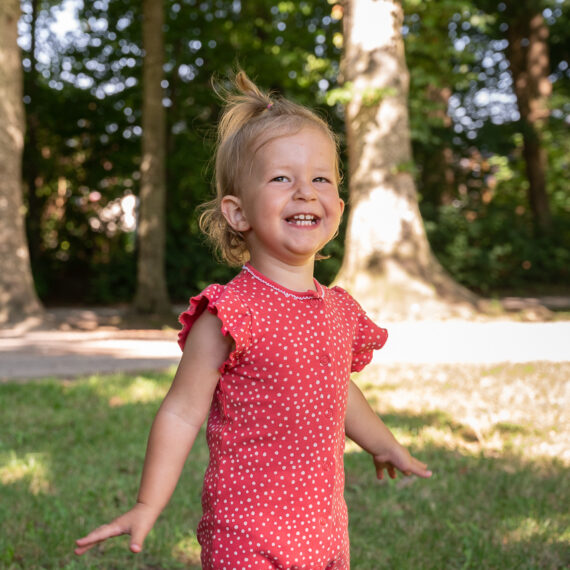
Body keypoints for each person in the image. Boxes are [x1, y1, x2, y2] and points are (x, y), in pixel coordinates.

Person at [75, 71, 431, 569]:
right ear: (237, 212)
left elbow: (337, 388)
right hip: (246, 533)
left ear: (338, 206)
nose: (305, 191)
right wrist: (147, 504)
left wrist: (384, 443)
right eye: (282, 178)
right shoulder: (230, 313)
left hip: (325, 530)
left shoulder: (338, 310)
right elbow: (180, 413)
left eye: (321, 178)